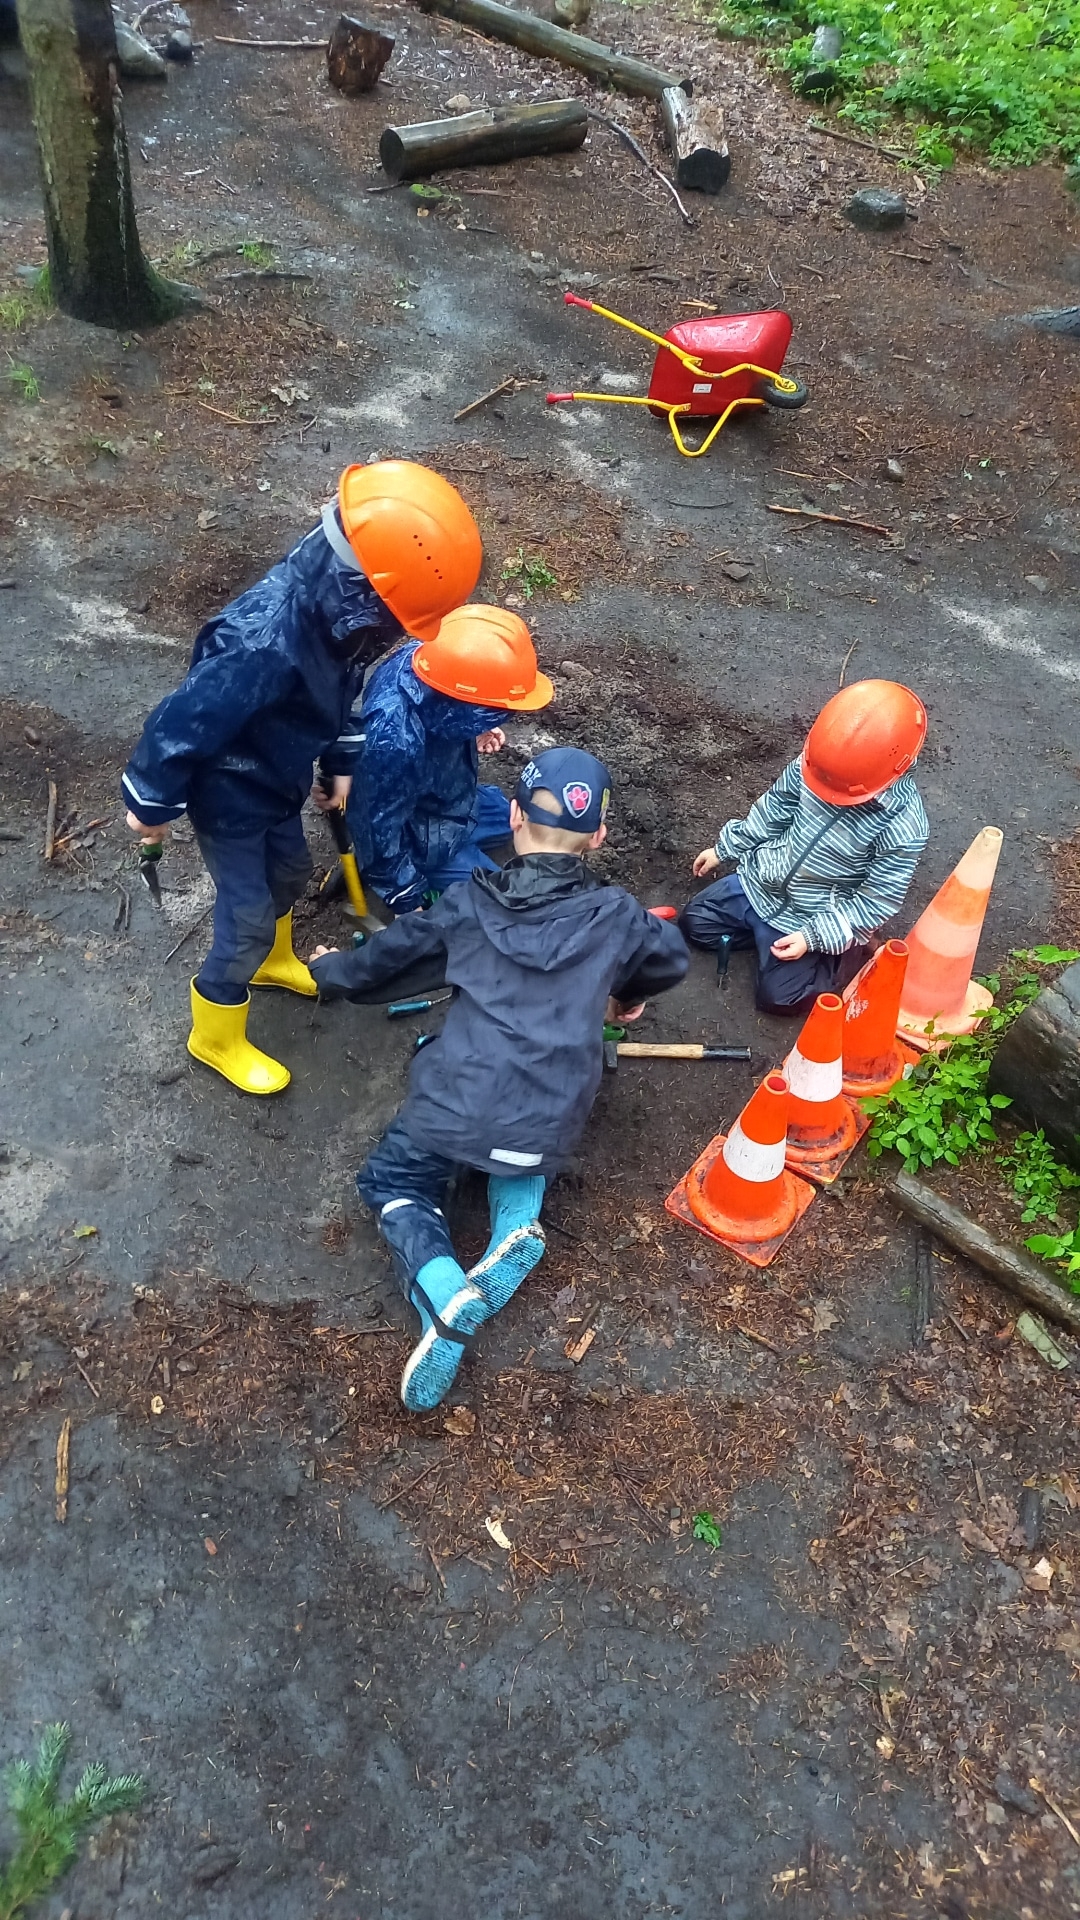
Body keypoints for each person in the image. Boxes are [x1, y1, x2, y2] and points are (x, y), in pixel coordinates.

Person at [309, 747, 689, 1411]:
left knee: (393, 1181)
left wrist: (329, 970)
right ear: (599, 836)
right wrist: (626, 995)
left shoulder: (467, 905)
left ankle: (441, 1287)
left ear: (513, 816)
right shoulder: (620, 916)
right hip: (549, 1121)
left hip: (453, 1105)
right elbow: (667, 959)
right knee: (521, 1141)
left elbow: (391, 958)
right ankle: (516, 1220)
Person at [120, 462, 482, 1095]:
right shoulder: (263, 639)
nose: (393, 635)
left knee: (289, 873)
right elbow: (183, 722)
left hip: (278, 785)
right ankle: (216, 1031)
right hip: (230, 797)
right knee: (246, 916)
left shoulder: (334, 629)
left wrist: (338, 767)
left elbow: (339, 697)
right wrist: (150, 802)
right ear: (367, 590)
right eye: (395, 619)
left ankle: (272, 962)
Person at [681, 679, 929, 1015]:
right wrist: (727, 848)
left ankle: (840, 957)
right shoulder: (815, 763)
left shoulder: (903, 826)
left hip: (814, 915)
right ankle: (764, 937)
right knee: (694, 924)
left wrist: (812, 938)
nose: (829, 794)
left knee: (779, 999)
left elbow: (876, 901)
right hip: (763, 883)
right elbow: (774, 809)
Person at [347, 604, 554, 914]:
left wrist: (476, 727)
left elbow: (454, 703)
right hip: (421, 836)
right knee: (501, 900)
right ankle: (421, 879)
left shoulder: (434, 657)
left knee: (526, 817)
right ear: (462, 700)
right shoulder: (393, 741)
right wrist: (404, 894)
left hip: (452, 796)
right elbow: (376, 827)